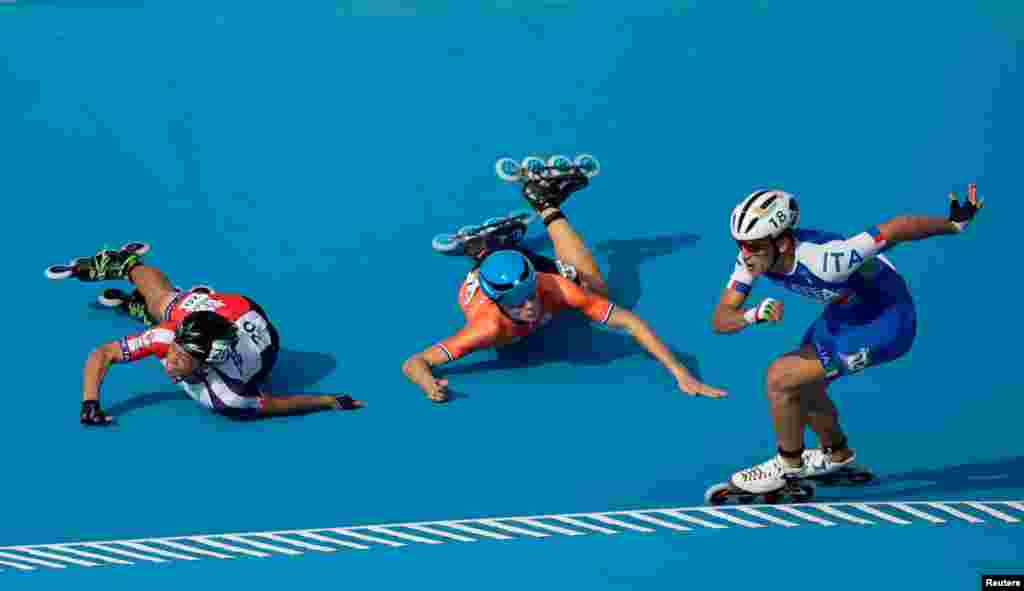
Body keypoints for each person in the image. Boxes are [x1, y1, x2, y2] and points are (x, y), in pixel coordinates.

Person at [711, 184, 984, 494]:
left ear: (783, 243)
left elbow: (894, 230)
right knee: (804, 384)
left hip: (886, 322)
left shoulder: (829, 259)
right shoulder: (752, 257)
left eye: (755, 245)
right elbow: (721, 318)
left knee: (780, 377)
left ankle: (788, 467)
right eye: (741, 244)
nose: (745, 253)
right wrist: (752, 314)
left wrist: (953, 224)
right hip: (844, 313)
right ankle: (836, 456)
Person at [403, 165, 727, 402]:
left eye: (530, 295)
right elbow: (415, 362)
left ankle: (543, 203)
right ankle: (481, 250)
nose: (530, 305)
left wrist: (679, 371)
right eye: (518, 303)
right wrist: (428, 384)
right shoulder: (486, 328)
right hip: (481, 280)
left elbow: (630, 323)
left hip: (523, 267)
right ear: (499, 303)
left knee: (594, 289)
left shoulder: (550, 288)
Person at [53, 244, 364, 425]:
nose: (169, 360)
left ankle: (139, 304)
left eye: (181, 357)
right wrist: (89, 402)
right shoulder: (167, 337)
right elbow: (102, 353)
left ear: (205, 363)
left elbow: (279, 404)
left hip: (258, 332)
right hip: (226, 309)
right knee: (164, 303)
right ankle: (126, 263)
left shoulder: (229, 397)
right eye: (175, 350)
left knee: (162, 312)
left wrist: (328, 400)